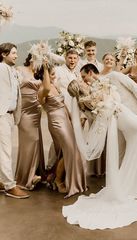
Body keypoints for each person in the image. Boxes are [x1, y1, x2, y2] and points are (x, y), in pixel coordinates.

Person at [63, 63, 137, 229]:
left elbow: (134, 88)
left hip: (130, 115)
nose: (83, 80)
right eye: (82, 80)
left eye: (84, 76)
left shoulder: (112, 78)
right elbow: (100, 112)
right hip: (122, 120)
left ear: (91, 72)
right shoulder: (91, 96)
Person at [36, 61, 87, 198]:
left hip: (65, 119)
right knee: (69, 149)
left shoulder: (54, 85)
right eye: (51, 74)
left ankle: (54, 177)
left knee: (67, 150)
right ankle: (59, 181)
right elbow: (46, 88)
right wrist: (46, 68)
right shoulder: (42, 90)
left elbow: (63, 104)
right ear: (44, 75)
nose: (54, 76)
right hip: (56, 122)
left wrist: (72, 119)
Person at [0, 43, 29, 199]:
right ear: (4, 54)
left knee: (2, 149)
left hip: (10, 115)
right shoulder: (0, 69)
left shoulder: (13, 70)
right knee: (6, 151)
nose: (16, 56)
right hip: (1, 114)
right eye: (13, 53)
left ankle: (1, 181)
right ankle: (10, 186)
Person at [15, 53, 45, 190]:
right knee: (29, 141)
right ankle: (24, 177)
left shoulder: (40, 73)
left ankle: (34, 174)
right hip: (24, 110)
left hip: (36, 109)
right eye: (37, 58)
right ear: (31, 58)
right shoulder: (20, 69)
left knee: (36, 141)